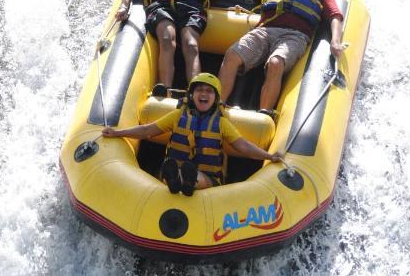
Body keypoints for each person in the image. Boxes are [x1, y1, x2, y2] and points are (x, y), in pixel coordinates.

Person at [219, 0, 346, 116]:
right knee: (232, 54)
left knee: (276, 63)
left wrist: (335, 40)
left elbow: (335, 15)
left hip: (294, 36)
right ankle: (218, 105)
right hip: (266, 30)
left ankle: (264, 113)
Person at [102, 73, 281, 194]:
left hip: (208, 181)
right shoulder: (178, 115)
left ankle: (185, 180)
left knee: (196, 177)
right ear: (192, 95)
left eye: (209, 91)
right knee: (174, 172)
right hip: (175, 173)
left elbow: (243, 146)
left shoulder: (221, 123)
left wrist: (268, 156)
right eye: (199, 90)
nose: (204, 94)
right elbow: (148, 130)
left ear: (216, 98)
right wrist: (118, 133)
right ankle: (176, 179)